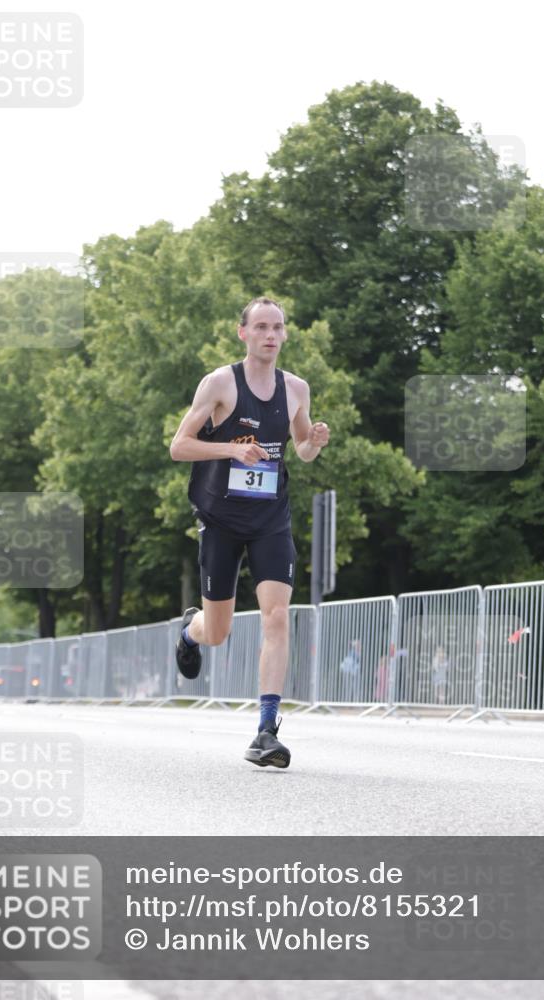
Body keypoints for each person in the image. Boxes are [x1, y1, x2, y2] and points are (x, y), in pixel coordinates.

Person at [169, 297, 330, 768]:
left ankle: (266, 730)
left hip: (269, 519)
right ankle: (190, 631)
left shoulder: (296, 388)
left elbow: (299, 449)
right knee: (217, 633)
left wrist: (312, 443)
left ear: (284, 334)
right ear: (243, 333)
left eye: (277, 327)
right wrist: (231, 452)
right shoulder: (220, 383)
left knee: (276, 616)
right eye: (260, 326)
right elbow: (179, 447)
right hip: (220, 519)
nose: (270, 335)